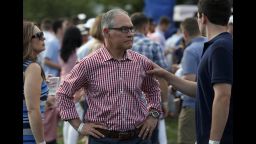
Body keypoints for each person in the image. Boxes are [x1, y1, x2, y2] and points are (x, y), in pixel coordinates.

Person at [56, 8, 161, 144]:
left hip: (138, 137)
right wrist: (80, 126)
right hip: (103, 139)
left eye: (131, 29)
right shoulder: (89, 64)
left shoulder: (141, 61)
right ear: (106, 32)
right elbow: (63, 93)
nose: (130, 34)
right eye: (124, 29)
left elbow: (153, 89)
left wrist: (153, 115)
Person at [147, 0, 233, 143]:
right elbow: (202, 89)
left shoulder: (220, 47)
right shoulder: (219, 45)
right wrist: (165, 74)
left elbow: (223, 95)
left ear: (202, 17)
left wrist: (213, 141)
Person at [131, 12, 169, 144]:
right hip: (150, 104)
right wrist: (164, 102)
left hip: (126, 104)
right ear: (146, 26)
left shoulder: (121, 46)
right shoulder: (153, 45)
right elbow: (162, 77)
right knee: (152, 138)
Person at [177, 17, 207, 144]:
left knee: (187, 140)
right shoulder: (210, 44)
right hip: (210, 104)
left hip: (192, 106)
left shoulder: (190, 50)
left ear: (185, 34)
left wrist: (174, 85)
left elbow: (190, 80)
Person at [23, 21, 48, 144]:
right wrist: (41, 142)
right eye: (39, 35)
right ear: (28, 39)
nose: (44, 38)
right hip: (28, 138)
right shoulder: (32, 68)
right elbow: (32, 109)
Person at [59, 26, 84, 144]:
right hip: (74, 87)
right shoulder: (77, 52)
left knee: (67, 119)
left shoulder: (63, 51)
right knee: (76, 119)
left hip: (63, 83)